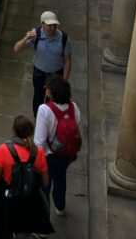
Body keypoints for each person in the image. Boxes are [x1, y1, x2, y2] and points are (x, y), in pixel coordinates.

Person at [0, 115, 53, 238]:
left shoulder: (4, 149)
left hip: (7, 202)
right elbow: (45, 182)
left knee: (2, 231)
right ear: (31, 132)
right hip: (28, 204)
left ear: (14, 130)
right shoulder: (39, 152)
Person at [34, 75, 82, 217]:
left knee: (44, 186)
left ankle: (43, 223)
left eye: (47, 88)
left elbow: (39, 142)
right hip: (68, 154)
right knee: (60, 177)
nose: (45, 88)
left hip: (50, 156)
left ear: (53, 93)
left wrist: (37, 161)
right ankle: (60, 206)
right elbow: (75, 126)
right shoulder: (74, 107)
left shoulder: (45, 110)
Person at [12, 10, 72, 116]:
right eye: (49, 25)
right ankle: (38, 118)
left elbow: (67, 61)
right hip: (39, 73)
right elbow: (16, 49)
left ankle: (49, 119)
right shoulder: (36, 34)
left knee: (53, 100)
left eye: (54, 25)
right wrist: (26, 38)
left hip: (56, 75)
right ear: (42, 24)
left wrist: (64, 80)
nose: (52, 28)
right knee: (38, 98)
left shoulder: (64, 38)